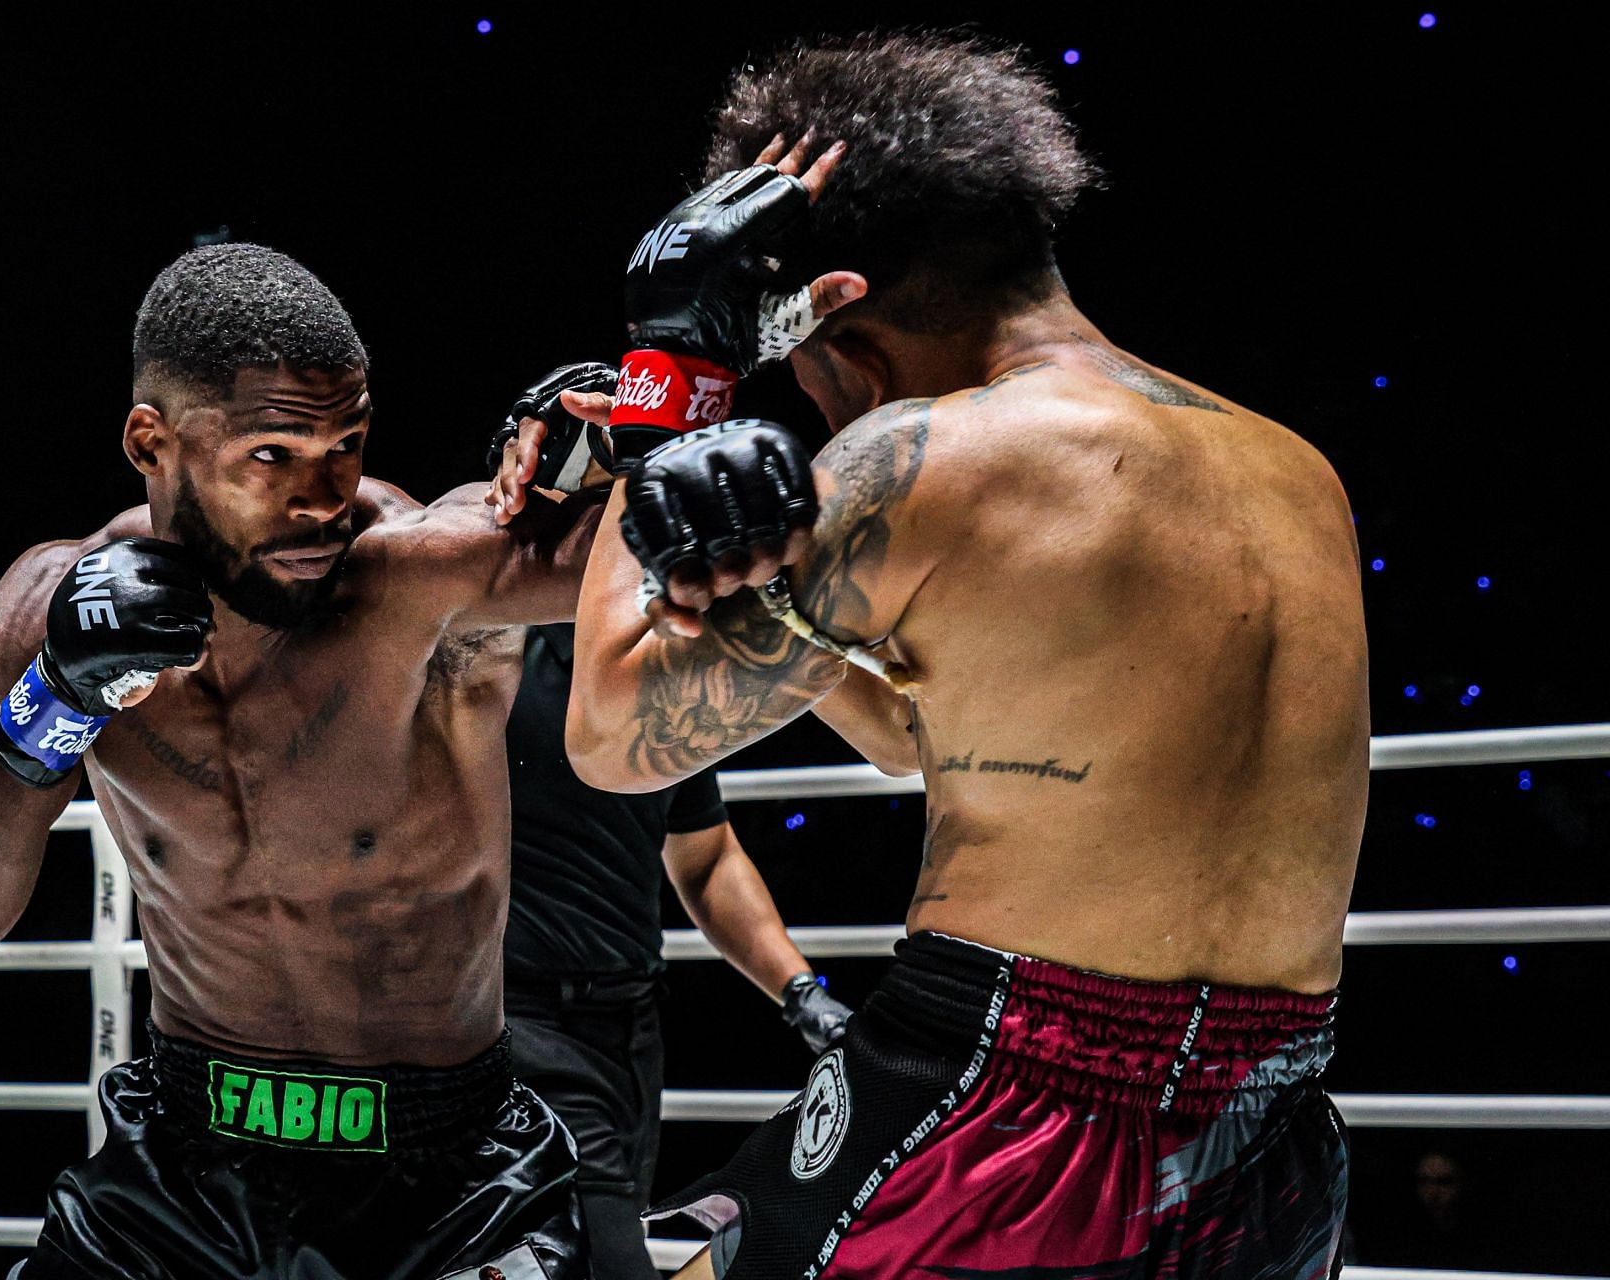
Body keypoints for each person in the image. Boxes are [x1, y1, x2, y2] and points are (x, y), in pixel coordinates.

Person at [564, 32, 1366, 1278]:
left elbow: (611, 735)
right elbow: (908, 733)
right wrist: (756, 587)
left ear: (831, 305)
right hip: (1273, 1136)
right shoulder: (1296, 469)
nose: (818, 410)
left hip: (1006, 1116)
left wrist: (671, 374)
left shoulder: (938, 457)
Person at [0, 242, 610, 1279]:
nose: (323, 496)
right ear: (152, 441)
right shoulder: (54, 606)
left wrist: (653, 413)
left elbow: (672, 549)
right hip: (182, 1159)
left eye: (346, 443)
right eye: (274, 453)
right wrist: (60, 701)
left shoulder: (419, 576)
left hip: (447, 1177)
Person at [502, 617, 852, 1280]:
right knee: (609, 1264)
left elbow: (706, 858)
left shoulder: (658, 676)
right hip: (519, 1033)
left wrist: (802, 994)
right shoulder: (488, 654)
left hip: (630, 1039)